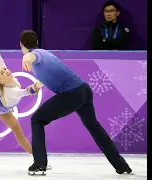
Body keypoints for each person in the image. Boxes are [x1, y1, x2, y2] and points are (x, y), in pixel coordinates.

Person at [19, 30, 132, 176]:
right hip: (83, 91)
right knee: (94, 127)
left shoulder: (37, 54)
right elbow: (48, 75)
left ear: (21, 44)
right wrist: (34, 87)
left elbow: (33, 55)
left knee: (37, 120)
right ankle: (121, 165)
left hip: (71, 94)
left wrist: (27, 56)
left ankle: (40, 163)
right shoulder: (45, 54)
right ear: (36, 42)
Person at [0, 12, 51, 169]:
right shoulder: (10, 91)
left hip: (1, 95)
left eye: (5, 70)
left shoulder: (4, 77)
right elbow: (27, 91)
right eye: (3, 72)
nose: (7, 70)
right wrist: (39, 84)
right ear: (0, 80)